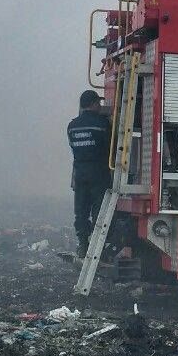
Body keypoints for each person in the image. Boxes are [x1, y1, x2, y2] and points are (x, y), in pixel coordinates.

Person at [67, 89, 112, 256]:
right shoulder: (101, 124)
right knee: (99, 210)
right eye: (98, 104)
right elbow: (110, 146)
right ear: (94, 104)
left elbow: (73, 147)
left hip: (80, 173)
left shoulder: (72, 126)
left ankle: (82, 244)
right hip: (98, 172)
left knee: (81, 210)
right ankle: (97, 244)